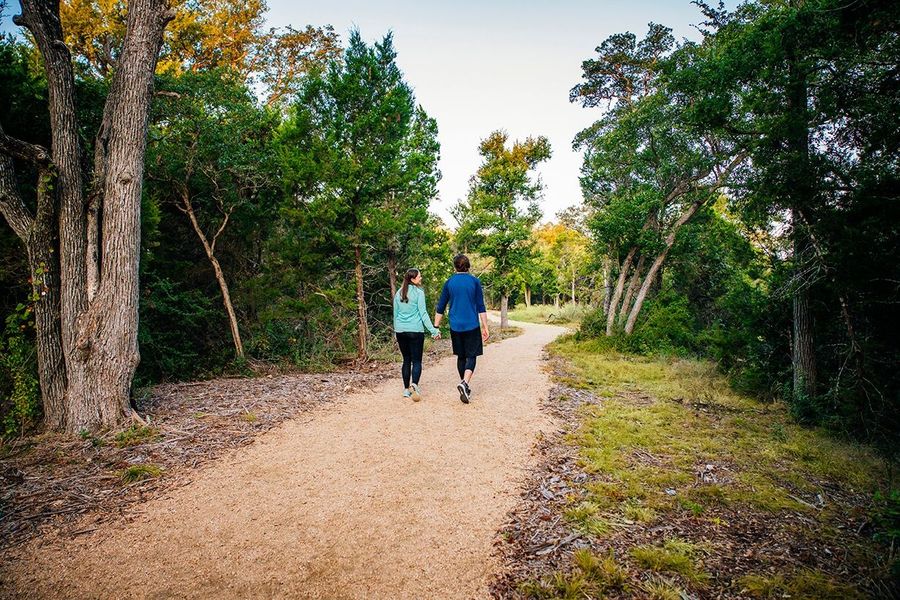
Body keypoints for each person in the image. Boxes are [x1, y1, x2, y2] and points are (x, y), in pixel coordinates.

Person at [434, 254, 489, 404]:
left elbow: (441, 306)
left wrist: (436, 327)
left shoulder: (449, 282)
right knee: (472, 356)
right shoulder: (475, 282)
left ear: (455, 266)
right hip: (471, 325)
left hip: (455, 326)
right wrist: (485, 326)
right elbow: (481, 306)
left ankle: (464, 384)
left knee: (461, 356)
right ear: (468, 266)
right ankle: (464, 383)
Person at [393, 268, 441, 402]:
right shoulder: (419, 293)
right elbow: (423, 314)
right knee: (417, 360)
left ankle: (406, 390)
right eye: (419, 276)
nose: (421, 278)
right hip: (415, 331)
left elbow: (395, 314)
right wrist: (434, 330)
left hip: (401, 331)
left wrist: (396, 331)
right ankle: (414, 385)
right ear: (413, 279)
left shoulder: (398, 293)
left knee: (406, 360)